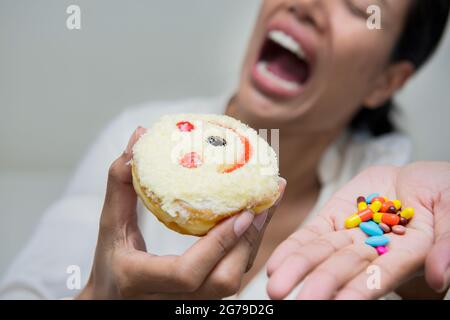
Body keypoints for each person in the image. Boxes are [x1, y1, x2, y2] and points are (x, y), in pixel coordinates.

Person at [1, 0, 449, 299]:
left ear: (385, 83)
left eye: (356, 6)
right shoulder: (141, 143)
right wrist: (102, 293)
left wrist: (424, 290)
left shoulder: (388, 199)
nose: (308, 5)